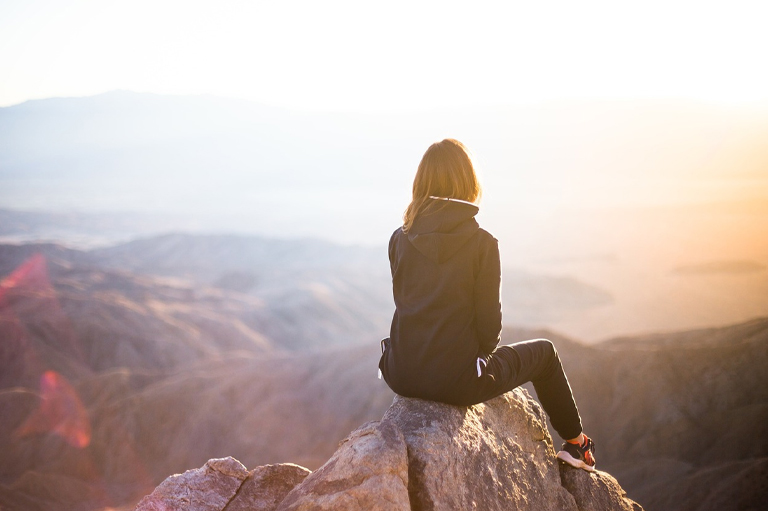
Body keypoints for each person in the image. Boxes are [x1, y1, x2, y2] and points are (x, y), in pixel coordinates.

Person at [378, 138, 596, 471]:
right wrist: (472, 362)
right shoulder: (482, 244)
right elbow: (490, 330)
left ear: (421, 183)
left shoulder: (399, 237)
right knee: (546, 354)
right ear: (468, 182)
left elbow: (407, 304)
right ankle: (577, 445)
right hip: (458, 382)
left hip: (400, 373)